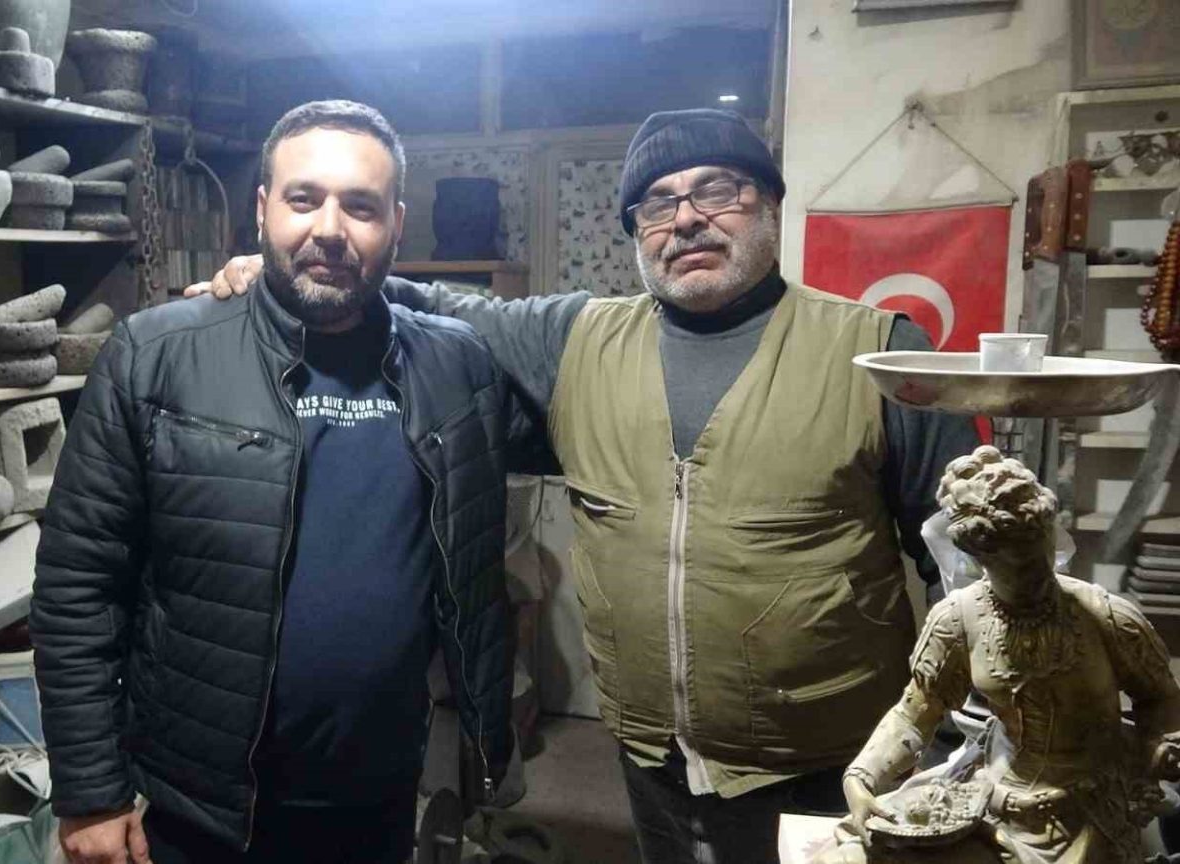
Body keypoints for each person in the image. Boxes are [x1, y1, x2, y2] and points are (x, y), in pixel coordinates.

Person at [190, 107, 982, 862]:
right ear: (636, 230)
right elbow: (426, 302)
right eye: (657, 204)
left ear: (770, 203)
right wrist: (291, 271)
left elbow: (972, 566)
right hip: (651, 759)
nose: (686, 220)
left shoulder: (877, 353)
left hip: (831, 764)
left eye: (717, 191)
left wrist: (967, 741)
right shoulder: (579, 339)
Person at [31, 99, 515, 864]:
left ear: (396, 224)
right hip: (200, 806)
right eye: (303, 198)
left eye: (361, 206)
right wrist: (91, 791)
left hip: (380, 797)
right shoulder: (154, 357)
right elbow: (77, 587)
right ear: (262, 210)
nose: (330, 228)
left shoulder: (459, 366)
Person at [823, 446, 1180, 864]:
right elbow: (916, 710)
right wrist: (861, 777)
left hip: (1089, 815)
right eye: (1019, 567)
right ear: (981, 560)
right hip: (989, 807)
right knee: (848, 857)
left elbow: (1162, 697)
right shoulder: (958, 620)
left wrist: (1159, 746)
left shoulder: (1107, 617)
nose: (1037, 573)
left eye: (1041, 554)